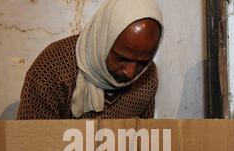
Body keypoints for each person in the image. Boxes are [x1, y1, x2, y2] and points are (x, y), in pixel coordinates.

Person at [17, 0, 163, 120]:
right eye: (121, 58)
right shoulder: (54, 67)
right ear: (102, 41)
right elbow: (30, 142)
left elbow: (144, 144)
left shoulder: (147, 78)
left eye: (143, 62)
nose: (130, 73)